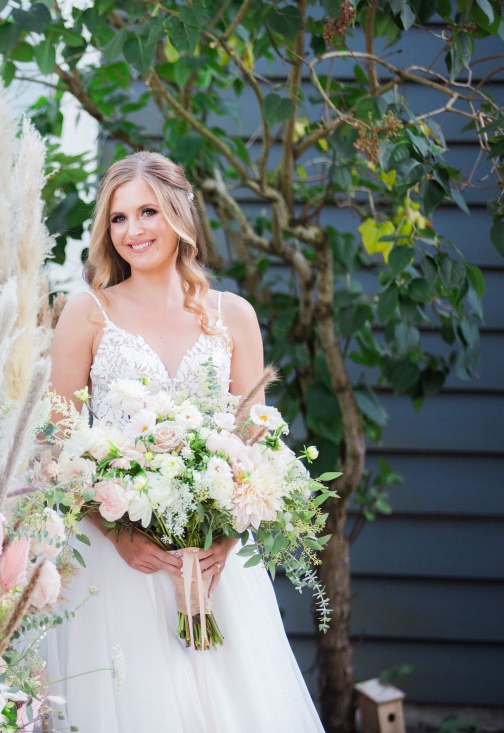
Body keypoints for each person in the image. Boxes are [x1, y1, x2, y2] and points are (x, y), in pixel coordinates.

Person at [44, 151, 324, 732]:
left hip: (215, 563)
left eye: (147, 212)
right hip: (119, 561)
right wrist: (117, 532)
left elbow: (256, 444)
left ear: (179, 214)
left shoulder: (233, 316)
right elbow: (57, 444)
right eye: (118, 218)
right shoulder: (86, 314)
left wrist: (226, 538)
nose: (133, 231)